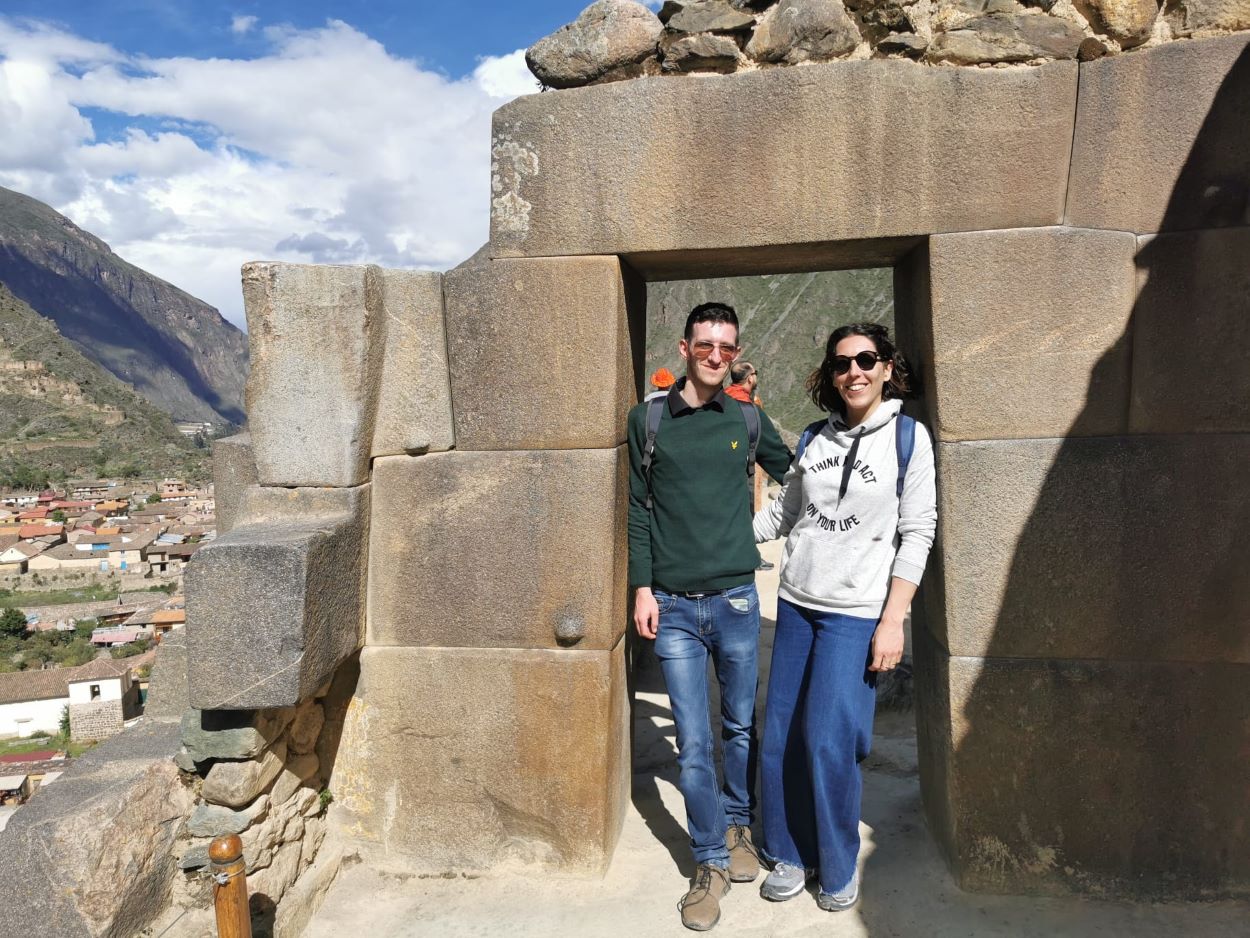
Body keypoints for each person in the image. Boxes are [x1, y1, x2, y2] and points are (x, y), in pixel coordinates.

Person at [752, 322, 936, 912]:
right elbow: (783, 515)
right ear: (830, 375)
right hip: (798, 603)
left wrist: (894, 620)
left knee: (830, 740)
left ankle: (835, 861)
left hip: (855, 613)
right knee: (781, 734)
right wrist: (711, 544)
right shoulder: (813, 439)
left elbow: (917, 532)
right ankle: (786, 850)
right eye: (841, 364)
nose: (853, 372)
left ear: (887, 367)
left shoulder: (908, 439)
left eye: (866, 360)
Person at [627, 303, 791, 932]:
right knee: (693, 744)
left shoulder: (747, 418)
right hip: (670, 607)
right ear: (685, 347)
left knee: (738, 726)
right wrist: (642, 588)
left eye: (726, 346)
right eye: (705, 345)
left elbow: (803, 479)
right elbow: (639, 510)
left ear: (735, 350)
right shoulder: (650, 421)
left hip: (737, 601)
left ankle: (741, 826)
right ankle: (710, 860)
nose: (716, 356)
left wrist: (792, 535)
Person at [726, 361, 772, 568]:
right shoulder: (748, 406)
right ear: (750, 378)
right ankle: (749, 557)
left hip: (722, 468)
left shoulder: (721, 398)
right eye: (756, 373)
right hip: (744, 467)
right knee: (747, 514)